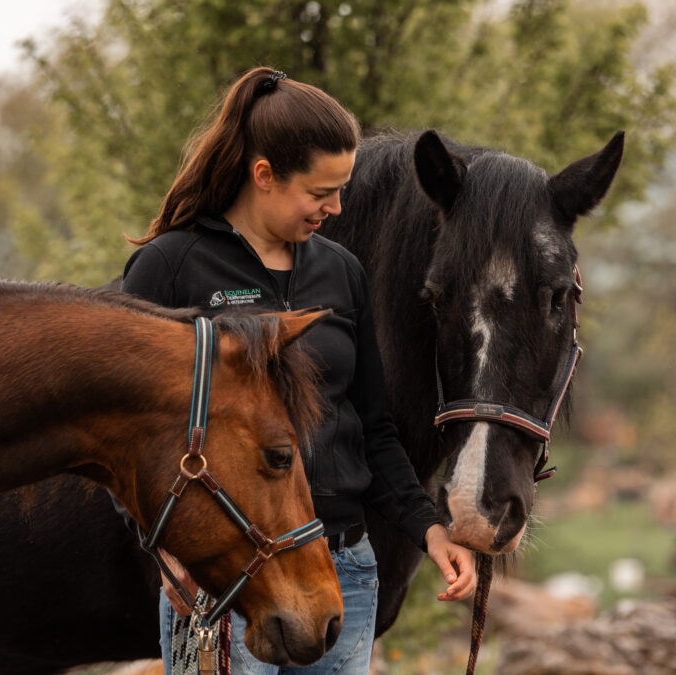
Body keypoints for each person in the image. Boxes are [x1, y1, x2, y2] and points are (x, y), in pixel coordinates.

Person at [121, 66, 476, 674]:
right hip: (223, 583)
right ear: (264, 175)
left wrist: (430, 530)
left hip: (344, 571)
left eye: (342, 189)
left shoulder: (341, 272)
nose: (336, 208)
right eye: (321, 192)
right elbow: (125, 439)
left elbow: (373, 428)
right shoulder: (169, 268)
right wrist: (167, 551)